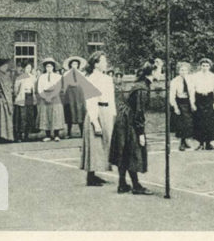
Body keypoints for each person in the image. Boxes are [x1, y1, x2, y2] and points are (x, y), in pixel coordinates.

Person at [108, 61, 155, 195]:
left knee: (125, 151)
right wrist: (140, 133)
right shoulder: (142, 88)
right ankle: (135, 185)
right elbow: (139, 112)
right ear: (152, 72)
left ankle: (123, 184)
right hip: (129, 122)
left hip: (125, 120)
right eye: (159, 70)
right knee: (133, 151)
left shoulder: (142, 85)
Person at [81, 52, 115, 187]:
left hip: (107, 112)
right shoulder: (91, 79)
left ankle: (96, 174)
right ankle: (90, 177)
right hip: (96, 112)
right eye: (103, 61)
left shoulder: (107, 78)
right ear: (96, 63)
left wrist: (113, 115)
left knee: (105, 144)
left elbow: (111, 98)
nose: (106, 63)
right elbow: (91, 101)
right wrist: (95, 122)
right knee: (94, 144)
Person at [192, 58, 214, 150]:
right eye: (203, 66)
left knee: (209, 121)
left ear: (209, 66)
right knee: (199, 121)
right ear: (200, 66)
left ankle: (208, 143)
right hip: (199, 99)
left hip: (209, 99)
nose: (205, 67)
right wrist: (193, 102)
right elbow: (192, 89)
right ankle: (201, 143)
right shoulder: (195, 76)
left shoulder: (213, 76)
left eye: (207, 66)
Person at [169, 61, 196, 151]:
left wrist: (192, 104)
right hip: (180, 102)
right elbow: (172, 96)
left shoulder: (191, 80)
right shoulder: (175, 81)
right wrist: (175, 107)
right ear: (178, 71)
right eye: (181, 70)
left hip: (188, 102)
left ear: (188, 71)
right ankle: (182, 143)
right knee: (182, 124)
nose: (183, 72)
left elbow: (192, 93)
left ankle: (185, 141)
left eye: (185, 70)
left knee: (189, 123)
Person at [37, 59, 65, 141]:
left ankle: (56, 135)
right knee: (46, 114)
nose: (49, 68)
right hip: (45, 96)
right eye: (47, 66)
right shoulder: (42, 77)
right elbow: (40, 88)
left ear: (53, 67)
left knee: (56, 114)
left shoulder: (57, 76)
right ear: (45, 68)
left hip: (55, 96)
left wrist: (52, 96)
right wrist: (45, 97)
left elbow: (58, 87)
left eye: (50, 66)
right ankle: (47, 135)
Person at [62, 56, 87, 139]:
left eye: (76, 64)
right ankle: (69, 133)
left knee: (80, 111)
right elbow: (64, 85)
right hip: (69, 94)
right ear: (70, 65)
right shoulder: (66, 74)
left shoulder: (82, 74)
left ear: (78, 65)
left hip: (79, 94)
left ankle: (82, 132)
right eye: (73, 64)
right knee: (70, 111)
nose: (74, 65)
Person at [13, 62, 38, 142]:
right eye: (27, 68)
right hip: (22, 97)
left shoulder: (33, 77)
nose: (28, 70)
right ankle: (19, 135)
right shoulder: (19, 77)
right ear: (24, 69)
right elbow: (16, 89)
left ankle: (27, 135)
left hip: (30, 97)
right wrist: (18, 96)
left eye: (30, 68)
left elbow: (35, 88)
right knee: (21, 116)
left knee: (29, 116)